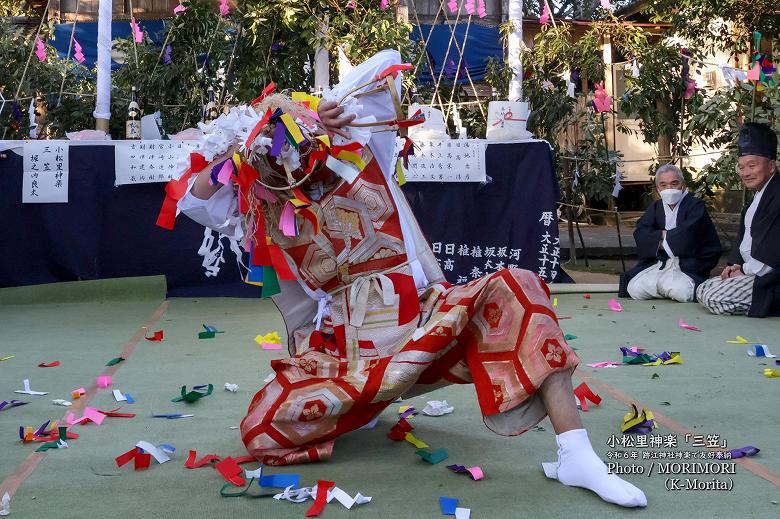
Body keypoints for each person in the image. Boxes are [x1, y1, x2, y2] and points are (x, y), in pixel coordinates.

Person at [170, 50, 647, 508]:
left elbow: (385, 62)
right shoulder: (262, 200)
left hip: (424, 319)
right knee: (261, 432)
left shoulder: (357, 150)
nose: (289, 161)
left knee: (517, 283)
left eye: (292, 142)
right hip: (347, 352)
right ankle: (358, 410)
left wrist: (326, 106)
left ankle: (576, 455)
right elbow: (194, 198)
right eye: (273, 152)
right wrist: (242, 151)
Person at [697, 123, 780, 317]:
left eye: (752, 166)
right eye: (741, 167)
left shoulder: (777, 195)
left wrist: (742, 271)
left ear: (771, 166)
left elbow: (772, 255)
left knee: (713, 297)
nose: (745, 173)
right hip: (750, 272)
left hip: (770, 278)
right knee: (702, 289)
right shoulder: (758, 196)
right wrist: (735, 267)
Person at [619, 164, 721, 302]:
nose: (669, 189)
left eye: (674, 183)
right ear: (658, 189)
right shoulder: (656, 207)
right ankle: (662, 287)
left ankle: (664, 287)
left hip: (687, 266)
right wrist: (663, 235)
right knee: (634, 289)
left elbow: (689, 235)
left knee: (681, 291)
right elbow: (641, 232)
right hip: (661, 263)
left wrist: (659, 241)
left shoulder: (695, 206)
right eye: (664, 185)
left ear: (683, 185)